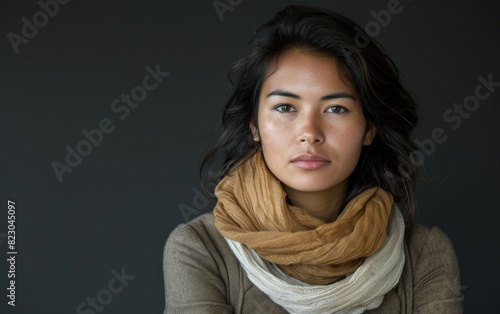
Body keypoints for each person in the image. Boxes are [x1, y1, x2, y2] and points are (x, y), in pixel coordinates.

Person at [163, 5, 463, 313]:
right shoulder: (201, 248)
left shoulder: (424, 251)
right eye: (285, 107)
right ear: (254, 124)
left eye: (336, 109)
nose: (309, 133)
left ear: (369, 128)